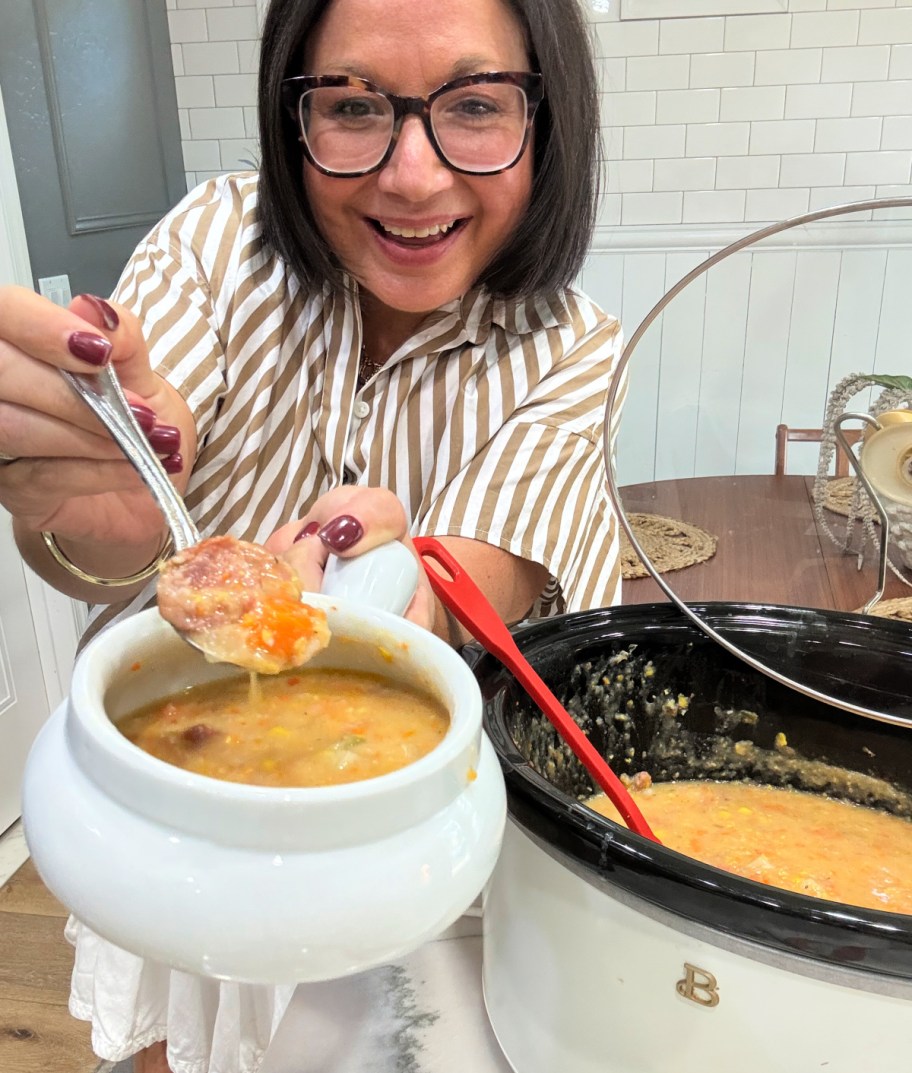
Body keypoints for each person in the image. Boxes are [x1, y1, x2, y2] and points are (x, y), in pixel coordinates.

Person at [0, 0, 624, 1069]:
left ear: (548, 120)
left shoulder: (573, 348)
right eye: (352, 106)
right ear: (294, 116)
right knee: (171, 1038)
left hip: (395, 847)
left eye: (475, 105)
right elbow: (132, 493)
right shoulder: (217, 243)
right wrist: (105, 504)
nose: (413, 176)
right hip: (167, 812)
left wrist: (386, 573)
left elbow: (479, 577)